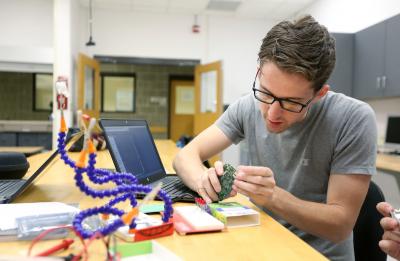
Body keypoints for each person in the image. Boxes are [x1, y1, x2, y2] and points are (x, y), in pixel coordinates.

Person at [173, 15, 377, 261]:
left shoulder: (353, 118)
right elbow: (186, 156)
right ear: (259, 73)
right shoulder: (247, 106)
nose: (272, 113)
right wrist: (203, 180)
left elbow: (340, 225)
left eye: (291, 102)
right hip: (263, 242)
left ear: (320, 93)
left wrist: (274, 197)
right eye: (267, 93)